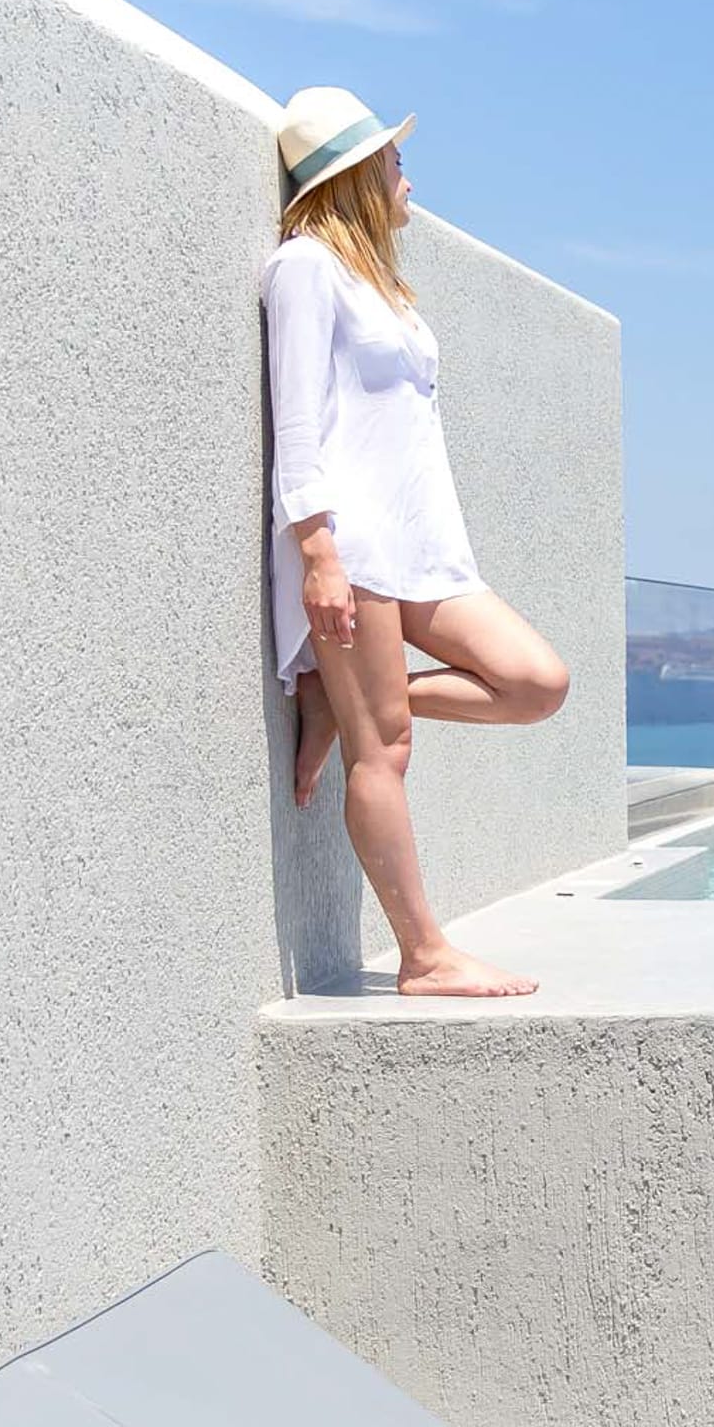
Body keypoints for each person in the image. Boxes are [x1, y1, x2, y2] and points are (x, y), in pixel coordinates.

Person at [265, 88, 566, 997]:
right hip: (351, 546)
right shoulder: (304, 268)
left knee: (534, 683)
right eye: (396, 162)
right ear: (357, 175)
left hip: (425, 548)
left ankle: (341, 697)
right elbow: (297, 424)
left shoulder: (383, 288)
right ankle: (424, 955)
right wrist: (318, 554)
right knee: (384, 750)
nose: (408, 177)